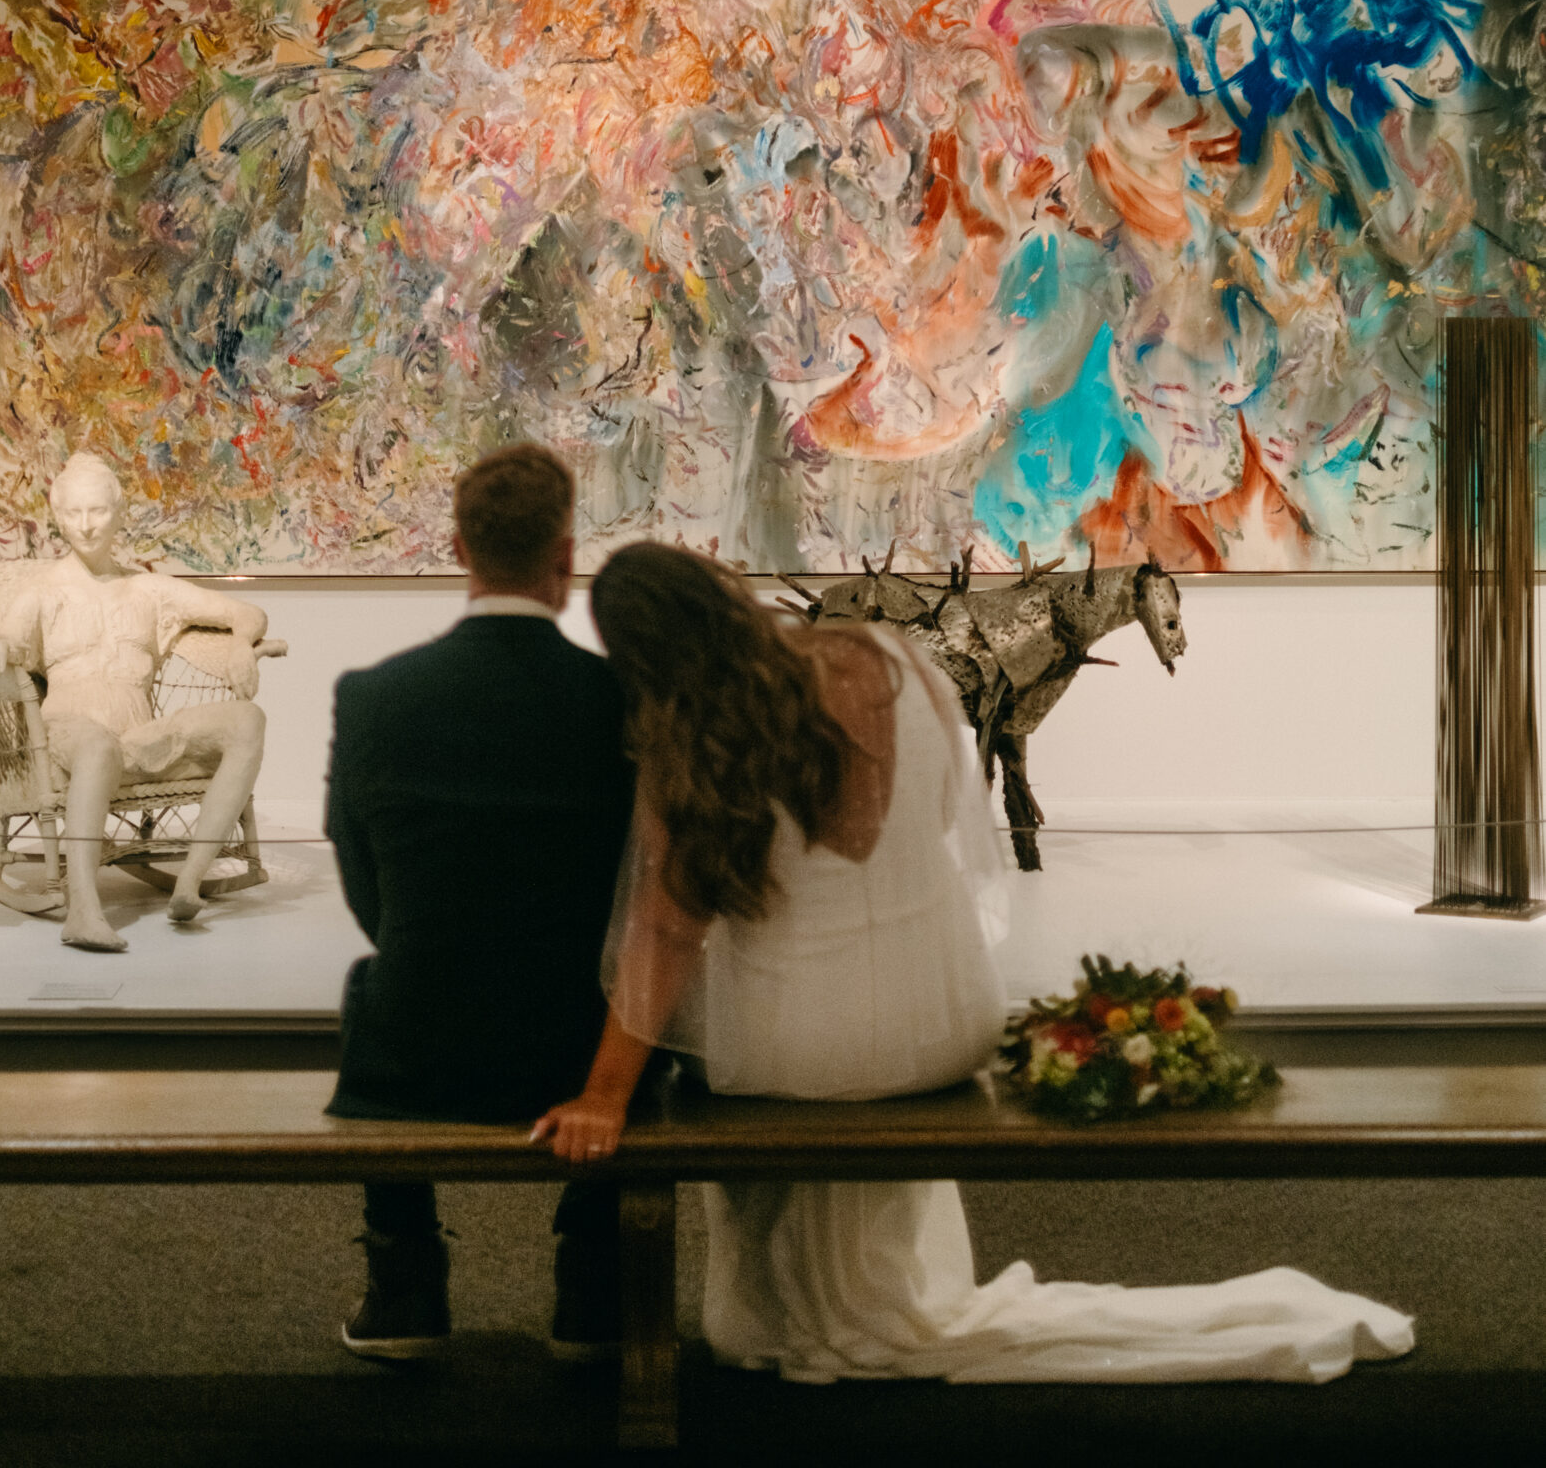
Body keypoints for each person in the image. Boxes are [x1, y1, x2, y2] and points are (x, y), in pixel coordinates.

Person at [533, 544, 1414, 1387]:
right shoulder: (886, 657)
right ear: (727, 595)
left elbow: (664, 932)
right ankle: (850, 1287)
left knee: (705, 1042)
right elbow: (944, 826)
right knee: (804, 1016)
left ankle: (799, 1299)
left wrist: (603, 1096)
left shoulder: (702, 732)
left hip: (795, 1051)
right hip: (943, 1017)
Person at [325, 443, 635, 1365]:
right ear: (566, 555)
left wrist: (422, 943)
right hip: (580, 1037)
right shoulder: (618, 697)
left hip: (423, 1039)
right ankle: (591, 1285)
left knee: (375, 983)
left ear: (459, 548)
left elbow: (362, 874)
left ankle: (405, 1284)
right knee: (629, 997)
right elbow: (643, 880)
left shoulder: (374, 697)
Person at [0, 450, 277, 952]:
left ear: (118, 513)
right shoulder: (43, 592)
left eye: (96, 511)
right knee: (98, 747)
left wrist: (242, 646)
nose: (86, 525)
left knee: (247, 720)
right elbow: (6, 638)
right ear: (58, 516)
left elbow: (247, 613)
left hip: (139, 739)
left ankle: (188, 882)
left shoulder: (150, 590)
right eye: (73, 513)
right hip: (71, 737)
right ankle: (83, 910)